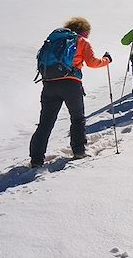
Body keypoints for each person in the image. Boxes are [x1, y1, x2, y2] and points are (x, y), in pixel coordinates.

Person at [29, 17, 111, 168]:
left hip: (49, 84)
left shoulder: (54, 40)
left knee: (45, 123)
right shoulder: (82, 41)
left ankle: (36, 159)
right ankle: (79, 151)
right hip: (71, 84)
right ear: (84, 31)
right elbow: (92, 62)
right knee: (77, 118)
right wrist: (106, 60)